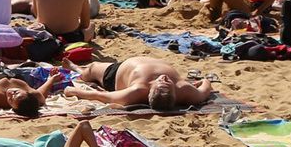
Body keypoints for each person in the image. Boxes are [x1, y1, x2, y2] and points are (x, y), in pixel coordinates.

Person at [68, 56, 212, 111]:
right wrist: (203, 81)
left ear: (149, 90)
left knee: (92, 69)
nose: (164, 78)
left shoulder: (137, 91)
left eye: (162, 83)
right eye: (167, 82)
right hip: (140, 61)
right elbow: (206, 88)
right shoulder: (186, 91)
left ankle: (77, 69)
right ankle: (79, 68)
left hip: (116, 73)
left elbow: (100, 96)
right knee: (93, 67)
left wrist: (73, 91)